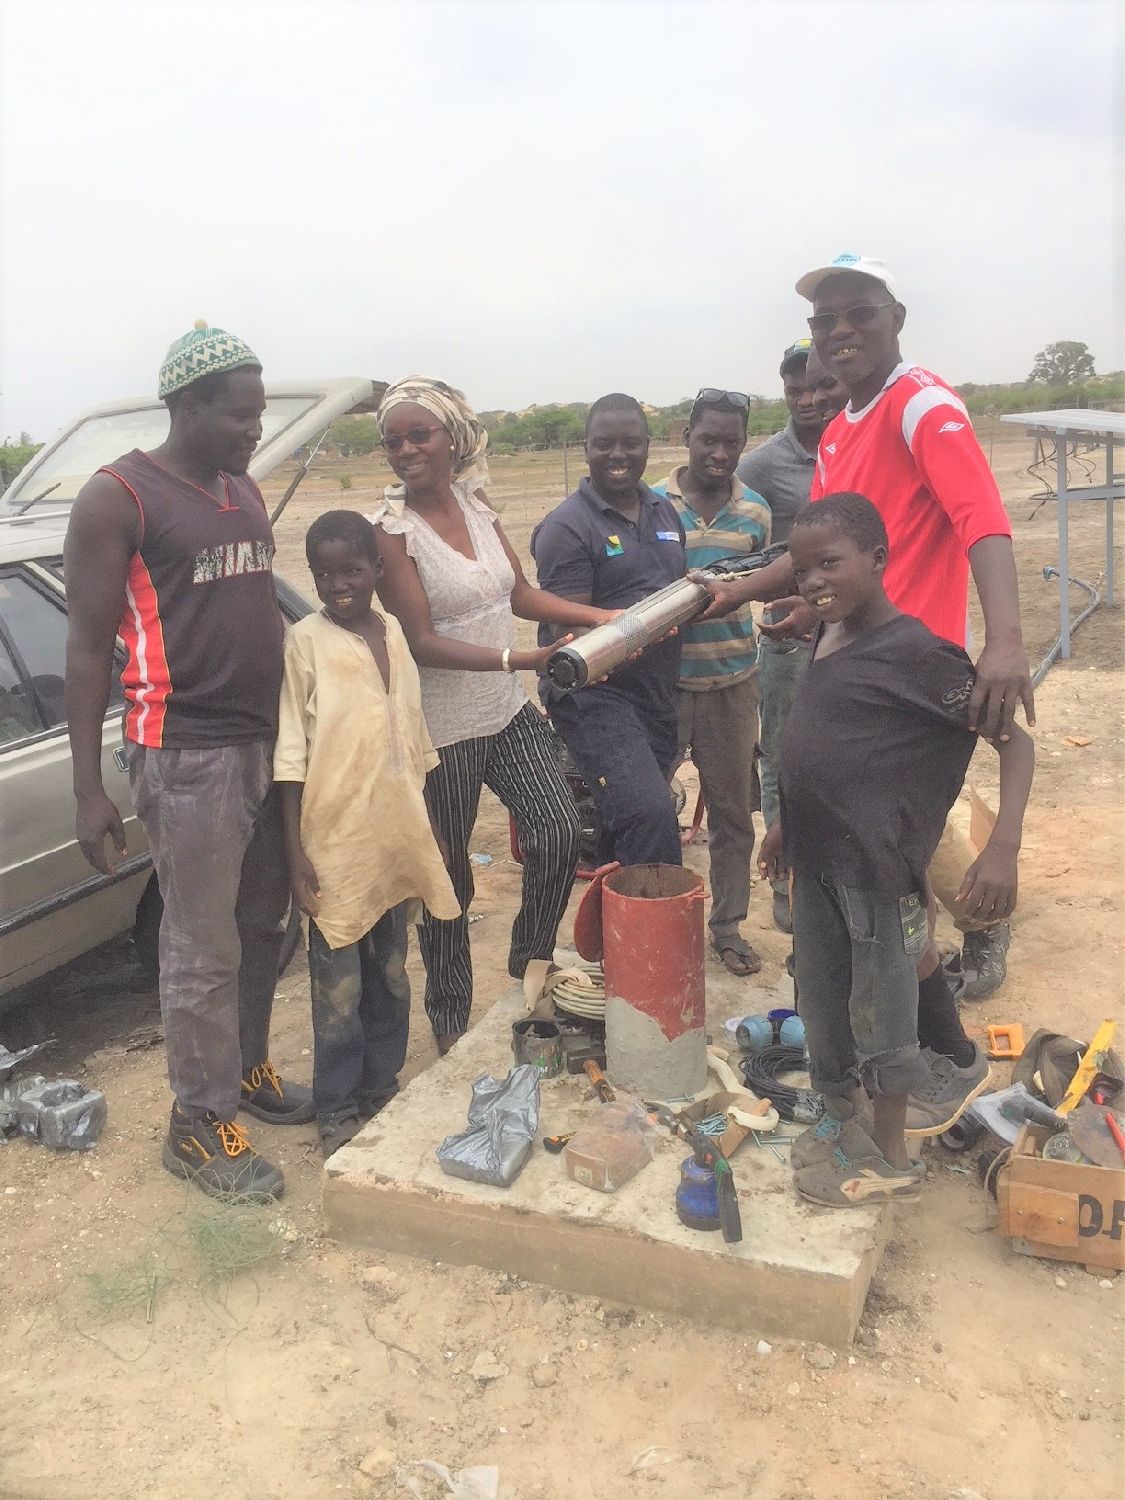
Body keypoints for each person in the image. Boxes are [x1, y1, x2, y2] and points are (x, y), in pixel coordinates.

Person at [703, 253, 1035, 1132]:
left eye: (857, 314)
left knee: (888, 882)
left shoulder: (921, 403)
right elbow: (829, 549)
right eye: (823, 323)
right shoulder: (845, 424)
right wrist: (776, 600)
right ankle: (917, 1051)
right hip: (851, 668)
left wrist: (1002, 641)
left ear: (895, 317)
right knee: (871, 881)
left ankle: (948, 1055)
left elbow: (982, 517)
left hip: (909, 689)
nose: (839, 333)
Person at [64, 323, 312, 1202]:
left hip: (265, 743)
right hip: (185, 754)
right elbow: (89, 647)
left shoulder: (237, 485)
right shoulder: (118, 497)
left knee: (260, 929)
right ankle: (196, 1127)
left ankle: (242, 1075)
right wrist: (89, 788)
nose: (254, 432)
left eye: (257, 416)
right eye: (239, 417)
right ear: (186, 406)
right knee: (199, 949)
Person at [758, 494, 1033, 1206]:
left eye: (829, 563)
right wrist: (785, 825)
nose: (813, 579)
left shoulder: (918, 654)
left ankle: (886, 1157)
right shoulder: (827, 631)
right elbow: (814, 741)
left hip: (875, 875)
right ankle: (841, 1122)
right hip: (817, 861)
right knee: (822, 1002)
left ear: (877, 561)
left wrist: (1000, 846)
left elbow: (1015, 741)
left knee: (881, 1014)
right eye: (800, 567)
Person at [370, 377, 616, 1053]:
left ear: (451, 436)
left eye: (420, 434)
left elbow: (525, 594)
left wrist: (599, 618)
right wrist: (520, 661)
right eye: (394, 440)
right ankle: (450, 1016)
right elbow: (421, 642)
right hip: (441, 728)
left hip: (504, 713)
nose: (406, 449)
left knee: (560, 832)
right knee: (449, 876)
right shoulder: (391, 533)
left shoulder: (476, 505)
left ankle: (527, 971)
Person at [275, 511, 459, 1156]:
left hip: (395, 839)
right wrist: (296, 852)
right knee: (338, 989)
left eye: (352, 570)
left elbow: (413, 733)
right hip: (335, 847)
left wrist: (429, 827)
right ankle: (335, 1109)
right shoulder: (305, 642)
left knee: (391, 975)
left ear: (378, 571)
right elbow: (291, 753)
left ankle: (381, 1086)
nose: (339, 585)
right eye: (324, 574)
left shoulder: (396, 635)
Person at [532, 394, 687, 868]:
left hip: (657, 696)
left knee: (623, 823)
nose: (618, 455)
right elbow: (571, 631)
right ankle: (654, 931)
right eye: (604, 444)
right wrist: (634, 628)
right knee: (649, 815)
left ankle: (612, 935)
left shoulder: (664, 513)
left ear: (647, 447)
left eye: (630, 443)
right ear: (586, 449)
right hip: (596, 699)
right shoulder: (568, 526)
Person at [650, 390, 771, 975]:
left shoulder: (756, 512)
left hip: (732, 686)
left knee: (731, 817)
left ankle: (727, 928)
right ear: (685, 436)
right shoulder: (652, 506)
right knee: (650, 812)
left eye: (731, 442)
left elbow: (761, 582)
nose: (719, 453)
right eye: (709, 440)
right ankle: (656, 925)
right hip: (663, 687)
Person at [736, 342, 846, 934]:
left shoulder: (856, 447)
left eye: (815, 387)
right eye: (793, 389)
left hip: (852, 636)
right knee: (782, 758)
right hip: (788, 642)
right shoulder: (761, 465)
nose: (806, 400)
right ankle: (787, 881)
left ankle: (839, 873)